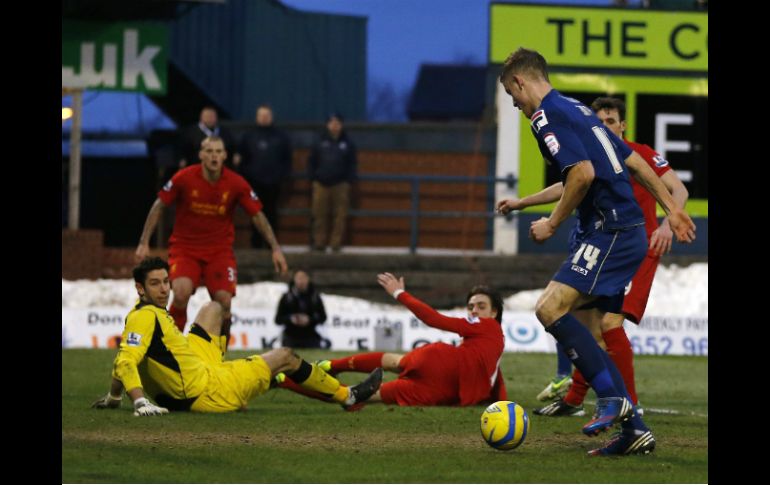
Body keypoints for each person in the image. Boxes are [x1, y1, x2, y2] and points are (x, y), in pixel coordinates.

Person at [495, 48, 695, 456]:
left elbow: (582, 174)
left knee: (550, 308)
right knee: (602, 326)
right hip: (624, 230)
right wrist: (671, 209)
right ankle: (634, 430)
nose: (517, 107)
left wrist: (552, 222)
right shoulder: (577, 108)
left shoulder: (546, 117)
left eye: (514, 99)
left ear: (519, 83)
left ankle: (610, 398)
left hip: (611, 231)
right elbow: (635, 163)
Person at [531, 96, 690, 417]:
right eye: (600, 121)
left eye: (610, 121)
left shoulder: (640, 154)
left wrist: (665, 226)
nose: (604, 126)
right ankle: (576, 398)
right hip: (608, 247)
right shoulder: (593, 154)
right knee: (587, 321)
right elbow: (566, 185)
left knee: (609, 323)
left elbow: (678, 189)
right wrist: (522, 202)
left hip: (639, 248)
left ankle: (629, 406)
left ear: (623, 124)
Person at [91, 257, 383, 415]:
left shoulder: (145, 312)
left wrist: (115, 397)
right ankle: (348, 395)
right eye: (155, 284)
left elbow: (122, 359)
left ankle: (230, 371)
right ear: (140, 289)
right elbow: (126, 360)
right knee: (286, 357)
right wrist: (140, 401)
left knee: (213, 308)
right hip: (204, 391)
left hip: (198, 364)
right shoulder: (144, 317)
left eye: (166, 282)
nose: (165, 290)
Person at [134, 135, 288, 339]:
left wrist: (275, 248)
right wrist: (144, 242)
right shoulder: (184, 178)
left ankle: (218, 355)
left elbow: (257, 215)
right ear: (201, 155)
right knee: (180, 293)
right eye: (209, 151)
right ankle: (170, 348)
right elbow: (159, 205)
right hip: (185, 248)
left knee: (224, 302)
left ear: (225, 155)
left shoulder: (236, 183)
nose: (214, 156)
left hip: (219, 252)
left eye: (218, 152)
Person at [277, 274, 507, 410]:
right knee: (355, 395)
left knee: (370, 382)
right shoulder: (493, 332)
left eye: (481, 306)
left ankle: (320, 369)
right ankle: (287, 380)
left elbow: (494, 375)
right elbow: (433, 319)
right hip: (438, 379)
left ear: (495, 312)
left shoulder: (488, 329)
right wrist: (399, 294)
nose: (474, 311)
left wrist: (503, 403)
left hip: (436, 382)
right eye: (470, 306)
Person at [237, 105, 293, 248]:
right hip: (253, 184)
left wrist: (281, 177)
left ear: (271, 117)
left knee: (272, 214)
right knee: (255, 214)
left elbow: (287, 160)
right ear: (257, 117)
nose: (264, 118)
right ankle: (255, 244)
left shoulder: (281, 136)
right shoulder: (248, 136)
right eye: (261, 115)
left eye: (266, 115)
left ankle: (271, 245)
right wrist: (247, 177)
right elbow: (241, 160)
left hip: (273, 184)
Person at [308, 113, 357, 252]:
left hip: (340, 184)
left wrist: (348, 181)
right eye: (332, 122)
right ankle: (319, 243)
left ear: (341, 125)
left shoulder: (347, 143)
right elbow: (311, 162)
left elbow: (352, 164)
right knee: (319, 215)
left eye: (337, 123)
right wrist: (313, 178)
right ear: (327, 125)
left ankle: (336, 244)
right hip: (321, 184)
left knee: (340, 216)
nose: (334, 126)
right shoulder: (319, 141)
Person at [274, 269, 328, 348]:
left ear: (308, 279)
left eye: (303, 278)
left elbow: (323, 317)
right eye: (298, 278)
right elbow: (278, 319)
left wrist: (309, 320)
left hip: (310, 337)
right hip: (290, 337)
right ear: (294, 279)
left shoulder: (315, 297)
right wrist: (291, 319)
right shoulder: (286, 297)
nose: (301, 281)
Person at [176, 106, 239, 173]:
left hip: (221, 169)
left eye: (212, 116)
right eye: (207, 116)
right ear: (201, 117)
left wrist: (236, 154)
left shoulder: (224, 132)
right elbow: (181, 149)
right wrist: (181, 159)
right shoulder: (190, 132)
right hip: (196, 167)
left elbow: (233, 147)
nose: (210, 119)